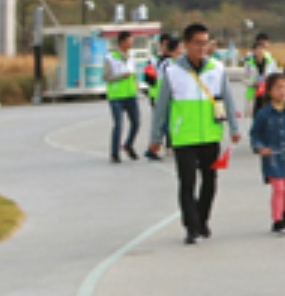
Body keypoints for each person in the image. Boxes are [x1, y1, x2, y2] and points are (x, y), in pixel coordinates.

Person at [147, 23, 243, 245]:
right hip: (184, 136)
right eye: (197, 43)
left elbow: (227, 99)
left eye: (206, 43)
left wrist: (234, 128)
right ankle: (191, 227)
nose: (202, 48)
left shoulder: (217, 69)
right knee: (188, 183)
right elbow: (161, 108)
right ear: (186, 44)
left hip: (211, 134)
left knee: (210, 181)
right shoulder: (172, 72)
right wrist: (155, 138)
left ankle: (202, 219)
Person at [250, 72, 285, 235]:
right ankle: (277, 221)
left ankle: (283, 210)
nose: (282, 91)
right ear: (269, 91)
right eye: (278, 88)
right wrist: (260, 147)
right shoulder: (264, 114)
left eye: (284, 87)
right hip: (273, 157)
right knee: (279, 189)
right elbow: (255, 134)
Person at [103, 31, 141, 163]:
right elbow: (106, 77)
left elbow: (134, 74)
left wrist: (137, 88)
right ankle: (114, 153)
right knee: (118, 124)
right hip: (116, 96)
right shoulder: (110, 57)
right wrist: (120, 76)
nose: (131, 43)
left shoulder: (132, 57)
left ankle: (128, 144)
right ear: (122, 42)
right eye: (130, 41)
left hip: (131, 95)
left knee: (136, 122)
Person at [141, 34, 179, 162]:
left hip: (166, 97)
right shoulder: (163, 62)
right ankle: (152, 149)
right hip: (160, 97)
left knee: (166, 124)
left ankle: (165, 146)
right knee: (162, 124)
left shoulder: (169, 62)